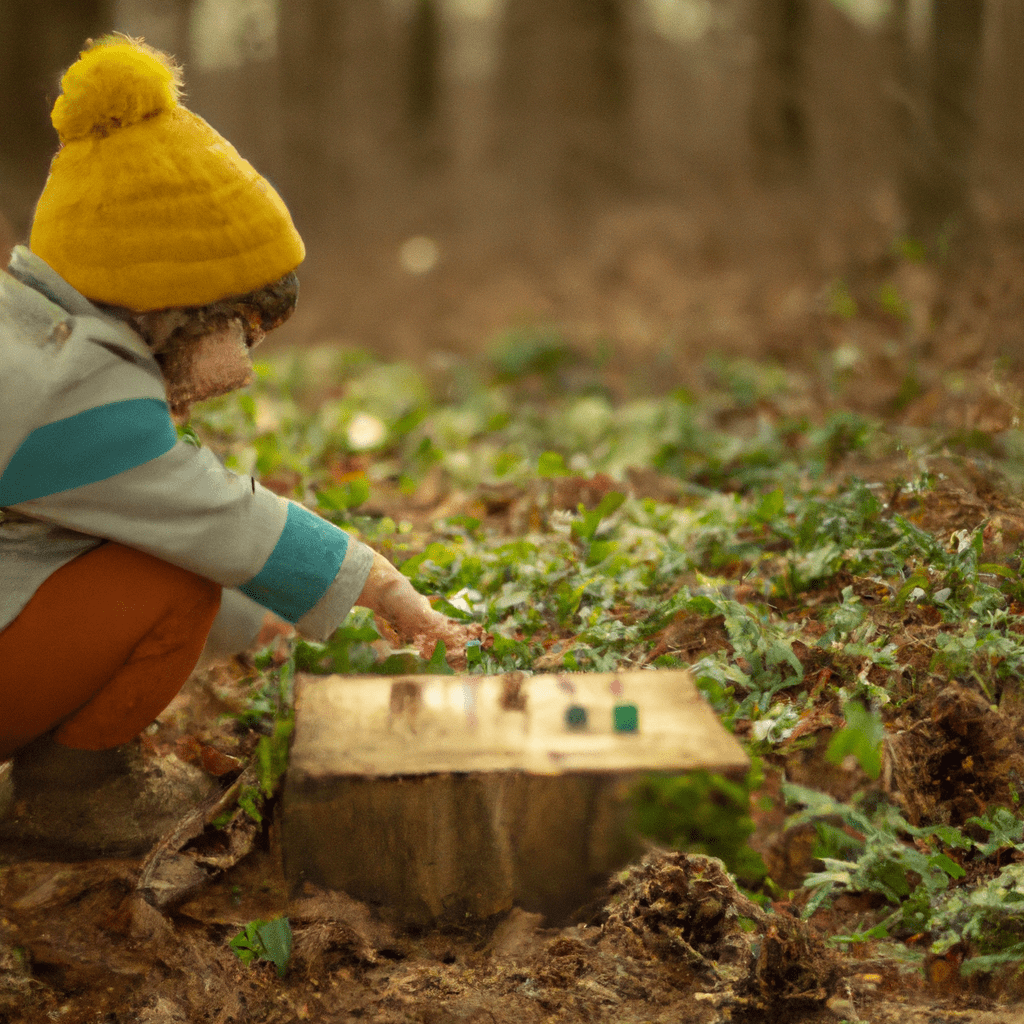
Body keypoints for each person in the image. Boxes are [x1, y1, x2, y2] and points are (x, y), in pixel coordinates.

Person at [0, 36, 477, 852]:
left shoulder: (33, 340)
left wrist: (269, 624)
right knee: (178, 579)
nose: (245, 352)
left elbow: (125, 526)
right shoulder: (73, 394)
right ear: (180, 304)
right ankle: (70, 796)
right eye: (241, 324)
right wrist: (382, 587)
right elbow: (214, 523)